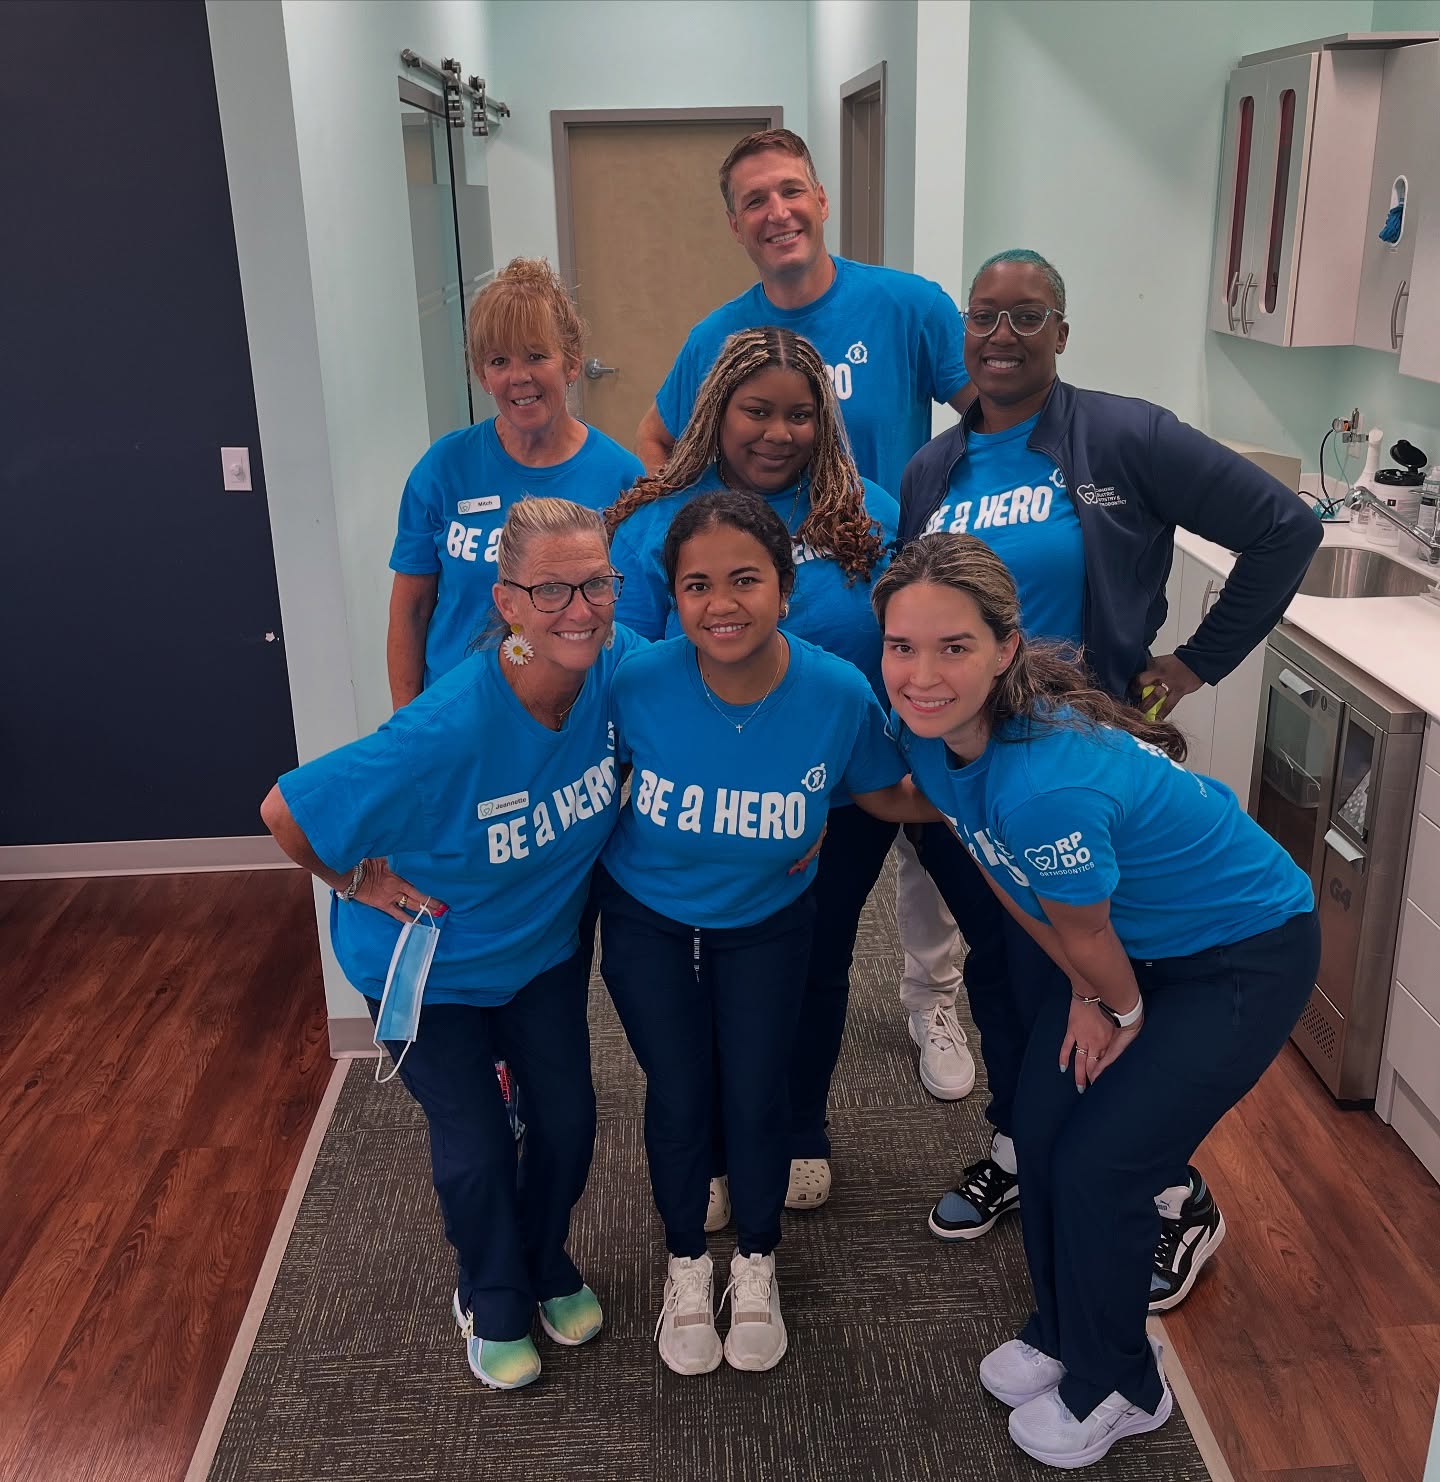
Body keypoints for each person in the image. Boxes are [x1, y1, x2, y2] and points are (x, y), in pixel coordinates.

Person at [897, 248, 1321, 1312]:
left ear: (1062, 332)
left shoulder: (1120, 436)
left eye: (1026, 316)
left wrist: (1190, 666)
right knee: (1005, 977)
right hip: (975, 779)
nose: (1001, 335)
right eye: (983, 316)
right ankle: (1020, 1138)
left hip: (1072, 780)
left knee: (1102, 984)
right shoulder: (931, 471)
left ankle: (1169, 1195)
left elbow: (1286, 530)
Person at [874, 533, 1317, 1469]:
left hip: (1244, 954)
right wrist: (1092, 989)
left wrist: (1108, 1004)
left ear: (1004, 647)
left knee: (1103, 1167)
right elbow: (1000, 869)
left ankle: (1125, 1384)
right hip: (1132, 949)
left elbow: (1078, 926)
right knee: (1039, 1131)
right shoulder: (943, 734)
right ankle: (1061, 1329)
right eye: (902, 646)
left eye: (953, 647)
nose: (922, 673)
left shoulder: (1045, 784)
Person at [261, 498, 639, 1391]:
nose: (580, 609)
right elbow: (286, 809)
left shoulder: (612, 668)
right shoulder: (446, 731)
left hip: (537, 956)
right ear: (507, 602)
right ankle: (492, 1290)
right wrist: (358, 882)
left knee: (570, 1122)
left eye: (595, 584)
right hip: (430, 969)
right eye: (552, 590)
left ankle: (544, 1261)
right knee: (472, 1146)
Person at [635, 127, 976, 1093]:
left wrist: (948, 539)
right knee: (777, 927)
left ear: (822, 199)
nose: (776, 212)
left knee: (922, 848)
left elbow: (984, 422)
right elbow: (667, 433)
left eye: (791, 191)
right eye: (754, 200)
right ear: (736, 224)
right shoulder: (717, 334)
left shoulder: (905, 305)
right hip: (763, 690)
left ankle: (931, 999)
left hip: (876, 610)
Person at [610, 326, 967, 1225]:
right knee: (699, 990)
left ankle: (798, 1125)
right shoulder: (663, 518)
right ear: (716, 414)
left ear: (826, 420)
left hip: (841, 796)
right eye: (756, 411)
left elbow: (913, 640)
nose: (777, 432)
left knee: (811, 968)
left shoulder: (870, 516)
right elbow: (632, 669)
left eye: (800, 415)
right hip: (699, 809)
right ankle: (716, 1140)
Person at [599, 490, 929, 1376]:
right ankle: (684, 1264)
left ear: (786, 587)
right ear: (672, 597)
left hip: (769, 926)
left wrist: (987, 786)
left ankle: (755, 1262)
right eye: (697, 585)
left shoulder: (834, 690)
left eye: (745, 579)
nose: (722, 604)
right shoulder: (635, 681)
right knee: (677, 1093)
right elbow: (578, 778)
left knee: (756, 1094)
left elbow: (882, 792)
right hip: (649, 923)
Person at [388, 256, 642, 709]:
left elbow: (634, 614)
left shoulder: (620, 476)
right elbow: (411, 611)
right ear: (482, 375)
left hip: (576, 713)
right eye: (499, 360)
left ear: (571, 363)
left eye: (537, 356)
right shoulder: (444, 468)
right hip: (457, 710)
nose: (519, 376)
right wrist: (408, 726)